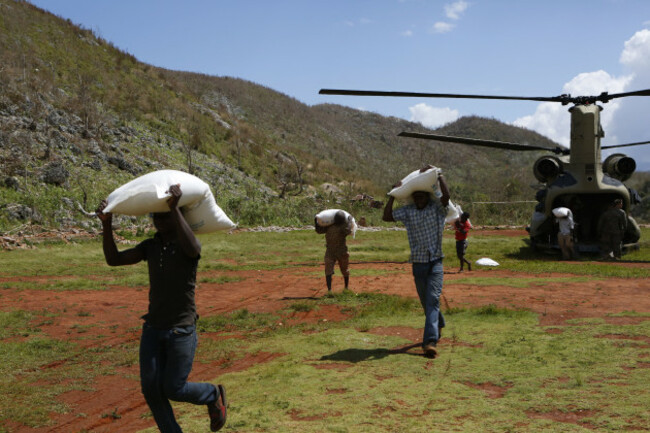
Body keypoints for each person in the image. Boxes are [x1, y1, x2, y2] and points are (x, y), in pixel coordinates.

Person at [96, 184, 227, 433]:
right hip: (153, 328)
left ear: (178, 217)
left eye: (164, 215)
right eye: (155, 215)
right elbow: (113, 259)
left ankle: (212, 394)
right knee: (151, 390)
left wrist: (174, 208)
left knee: (173, 388)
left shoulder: (187, 246)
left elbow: (194, 249)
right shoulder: (151, 247)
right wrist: (106, 223)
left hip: (181, 330)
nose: (158, 220)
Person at [383, 167, 450, 359]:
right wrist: (392, 195)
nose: (420, 199)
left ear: (428, 198)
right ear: (413, 198)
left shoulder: (437, 210)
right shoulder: (408, 212)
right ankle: (439, 323)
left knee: (433, 299)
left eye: (423, 196)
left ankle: (429, 341)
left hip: (436, 262)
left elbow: (446, 198)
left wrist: (440, 176)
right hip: (418, 264)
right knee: (427, 302)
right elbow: (387, 217)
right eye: (417, 197)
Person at [315, 210, 352, 294]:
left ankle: (336, 289)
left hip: (336, 251)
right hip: (337, 251)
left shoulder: (335, 227)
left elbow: (318, 230)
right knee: (341, 270)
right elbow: (319, 230)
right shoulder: (336, 226)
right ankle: (333, 289)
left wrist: (316, 222)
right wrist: (349, 221)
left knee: (340, 270)